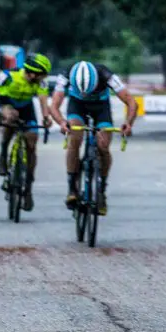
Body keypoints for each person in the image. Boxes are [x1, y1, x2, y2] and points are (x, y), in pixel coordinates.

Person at [50, 61, 138, 216]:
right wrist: (62, 123)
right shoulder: (66, 75)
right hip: (77, 106)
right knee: (74, 140)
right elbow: (54, 106)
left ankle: (101, 190)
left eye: (88, 91)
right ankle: (72, 188)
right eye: (82, 91)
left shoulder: (106, 75)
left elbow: (132, 102)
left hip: (100, 107)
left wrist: (128, 123)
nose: (86, 94)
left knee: (103, 146)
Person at [0, 53, 52, 212]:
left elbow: (43, 101)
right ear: (32, 73)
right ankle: (3, 152)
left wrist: (46, 117)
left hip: (26, 108)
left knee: (32, 139)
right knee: (10, 118)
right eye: (41, 75)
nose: (43, 78)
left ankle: (28, 187)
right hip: (8, 103)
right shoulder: (7, 76)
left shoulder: (41, 83)